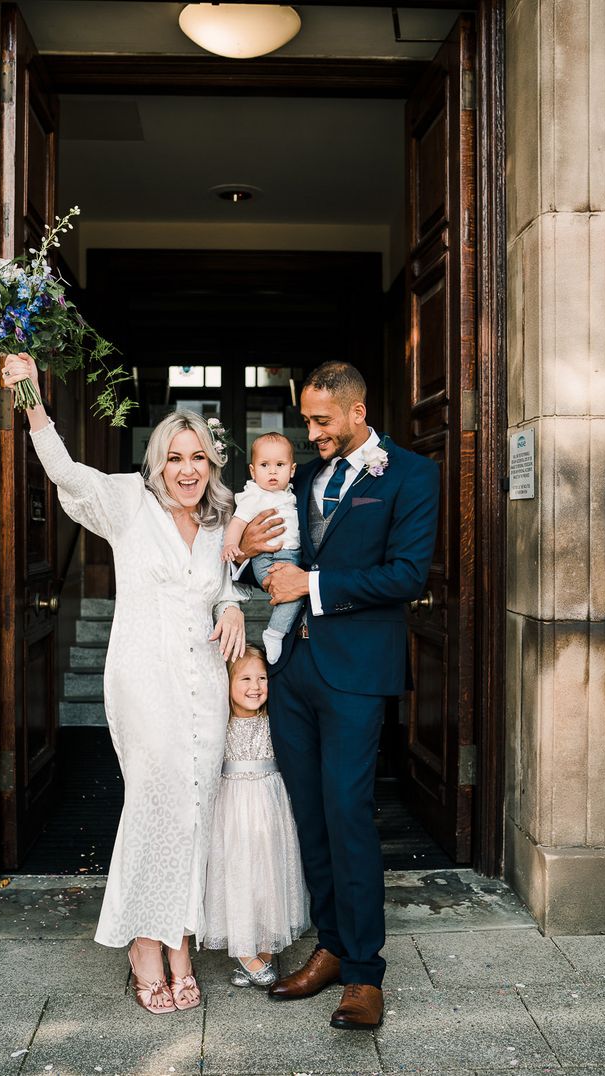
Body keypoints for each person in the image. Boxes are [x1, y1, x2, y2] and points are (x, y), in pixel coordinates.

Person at [1, 353, 246, 1016]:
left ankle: (180, 942)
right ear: (156, 463)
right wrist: (30, 393)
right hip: (143, 679)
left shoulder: (221, 518)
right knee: (156, 799)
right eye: (175, 459)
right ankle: (144, 940)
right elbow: (62, 470)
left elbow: (224, 587)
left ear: (211, 463)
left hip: (203, 685)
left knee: (196, 804)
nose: (188, 470)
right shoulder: (128, 503)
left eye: (198, 458)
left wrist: (228, 608)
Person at [235, 361, 439, 1031]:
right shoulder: (304, 480)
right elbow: (274, 552)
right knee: (310, 814)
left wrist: (312, 589)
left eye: (322, 421)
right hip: (294, 671)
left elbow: (407, 574)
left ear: (358, 411)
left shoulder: (409, 475)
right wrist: (245, 555)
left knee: (349, 813)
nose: (311, 432)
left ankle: (363, 974)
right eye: (308, 419)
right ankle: (329, 945)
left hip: (357, 674)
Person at [203, 645, 309, 987]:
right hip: (232, 806)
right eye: (245, 678)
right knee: (237, 871)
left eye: (262, 678)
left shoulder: (274, 718)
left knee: (269, 871)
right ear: (227, 683)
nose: (255, 686)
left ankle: (263, 949)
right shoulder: (220, 721)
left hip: (270, 802)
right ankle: (245, 951)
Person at [221, 433, 301, 663]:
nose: (273, 471)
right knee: (293, 593)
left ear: (292, 470)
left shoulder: (291, 495)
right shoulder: (254, 497)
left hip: (292, 556)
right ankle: (275, 632)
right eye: (265, 465)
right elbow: (238, 522)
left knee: (297, 591)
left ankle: (278, 630)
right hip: (267, 558)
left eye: (280, 465)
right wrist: (231, 544)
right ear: (253, 472)